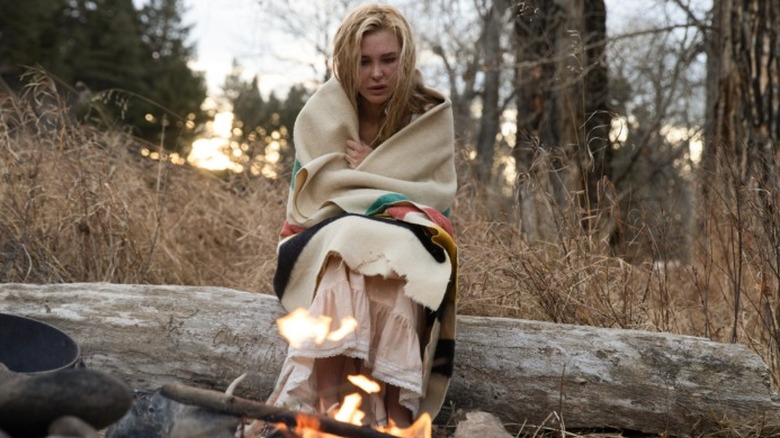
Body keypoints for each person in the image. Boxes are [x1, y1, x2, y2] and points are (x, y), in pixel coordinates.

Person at [248, 2, 458, 434]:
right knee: (347, 240)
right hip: (322, 239)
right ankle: (328, 412)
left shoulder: (427, 117)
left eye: (387, 60)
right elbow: (307, 203)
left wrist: (369, 177)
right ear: (347, 63)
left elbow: (436, 208)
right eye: (364, 62)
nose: (376, 73)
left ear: (405, 60)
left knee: (388, 248)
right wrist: (370, 184)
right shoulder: (322, 117)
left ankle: (396, 420)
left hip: (406, 246)